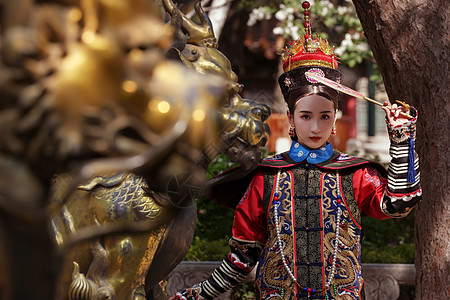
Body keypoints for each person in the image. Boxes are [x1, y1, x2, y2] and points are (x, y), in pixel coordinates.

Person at [170, 1, 422, 299]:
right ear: (290, 118)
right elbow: (242, 256)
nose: (315, 127)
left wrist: (402, 137)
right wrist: (199, 294)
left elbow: (398, 202)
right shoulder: (266, 178)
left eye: (324, 116)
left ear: (335, 118)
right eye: (306, 116)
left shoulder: (354, 175)